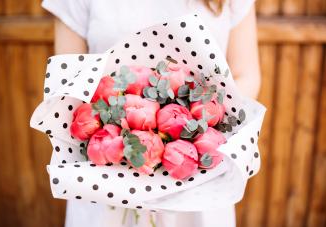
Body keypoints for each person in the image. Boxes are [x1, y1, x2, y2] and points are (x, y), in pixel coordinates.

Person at [41, 0, 261, 226]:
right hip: (106, 176)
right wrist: (130, 146)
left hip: (198, 181)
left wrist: (189, 134)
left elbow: (246, 74)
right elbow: (68, 87)